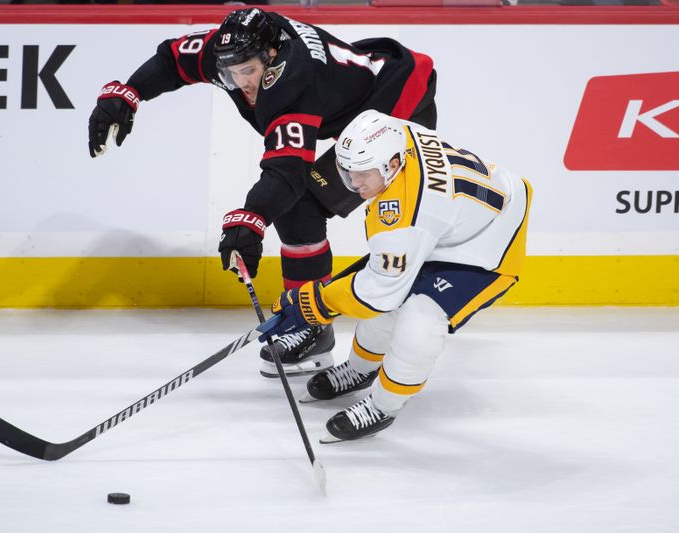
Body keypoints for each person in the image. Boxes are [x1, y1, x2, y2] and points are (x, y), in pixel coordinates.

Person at [87, 8, 437, 378]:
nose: (242, 84)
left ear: (271, 56)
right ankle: (311, 318)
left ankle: (318, 326)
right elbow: (173, 60)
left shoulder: (295, 81)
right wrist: (128, 93)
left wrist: (252, 218)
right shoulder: (232, 49)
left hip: (396, 106)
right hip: (356, 93)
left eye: (248, 72)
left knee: (308, 205)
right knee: (296, 205)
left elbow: (287, 174)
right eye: (231, 75)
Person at [259, 110, 533, 443]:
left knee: (419, 318)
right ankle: (361, 371)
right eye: (347, 173)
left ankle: (383, 406)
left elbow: (378, 292)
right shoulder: (392, 134)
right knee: (391, 301)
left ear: (390, 165)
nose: (354, 184)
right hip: (453, 220)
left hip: (489, 245)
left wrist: (313, 303)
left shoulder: (407, 212)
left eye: (362, 175)